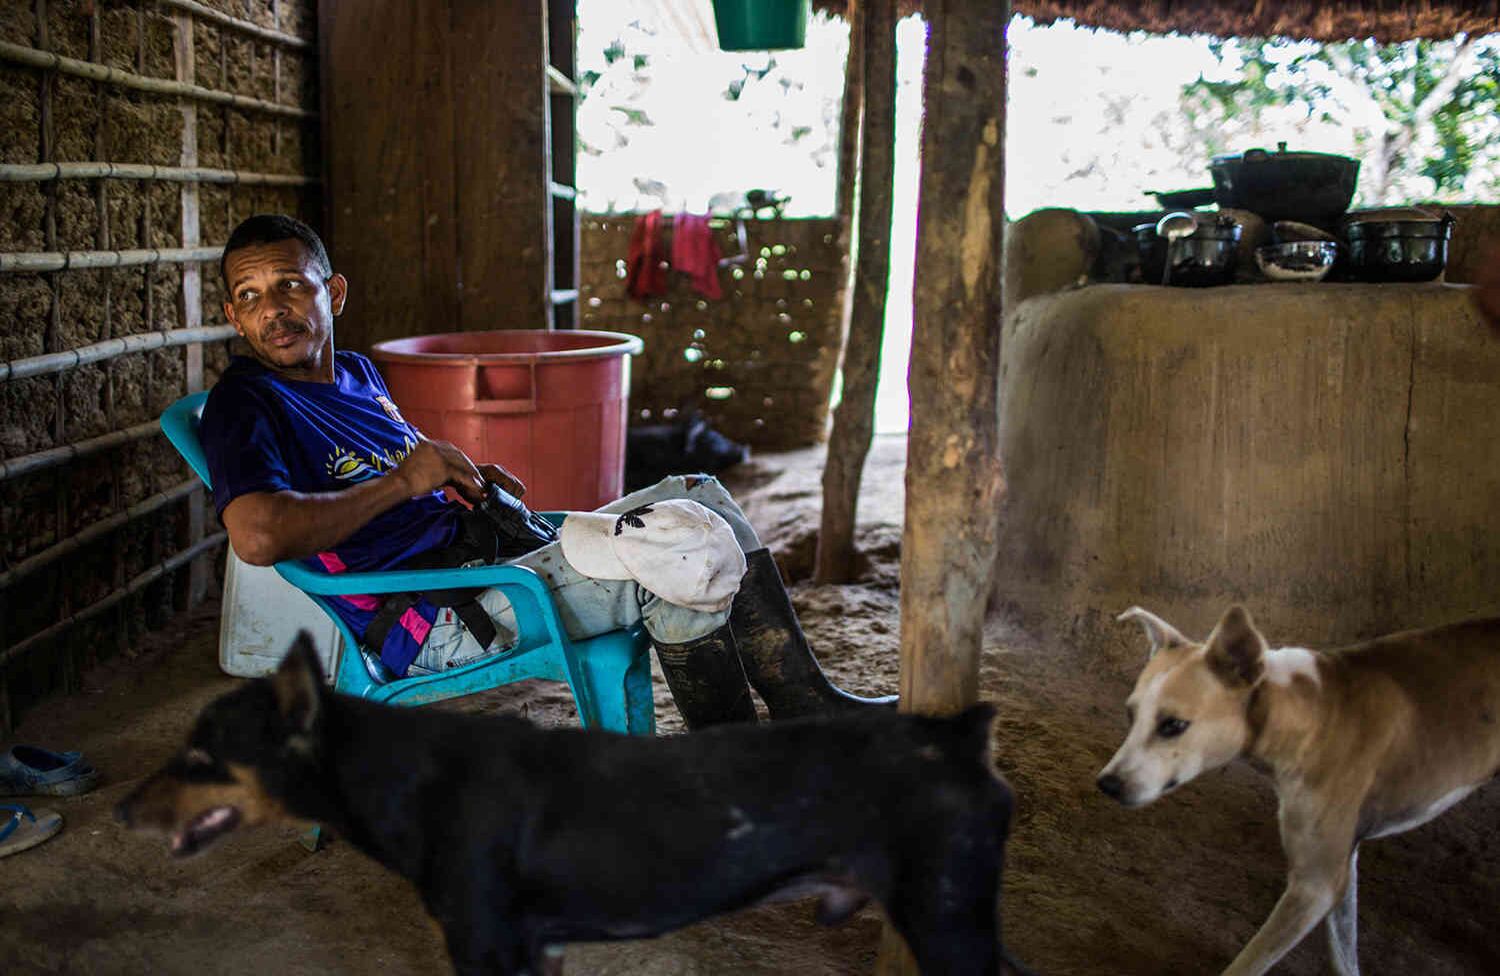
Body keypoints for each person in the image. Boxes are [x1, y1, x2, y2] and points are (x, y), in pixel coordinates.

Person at [201, 214, 893, 729]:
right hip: (432, 614)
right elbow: (258, 538)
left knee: (699, 494)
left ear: (334, 293)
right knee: (677, 554)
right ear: (233, 316)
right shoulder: (246, 404)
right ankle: (729, 776)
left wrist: (458, 477)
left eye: (291, 285)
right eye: (252, 295)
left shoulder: (353, 373)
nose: (274, 309)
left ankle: (806, 706)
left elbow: (402, 468)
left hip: (489, 557)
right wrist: (404, 483)